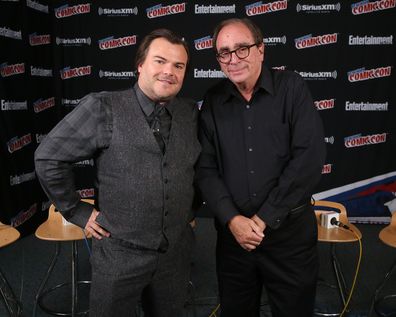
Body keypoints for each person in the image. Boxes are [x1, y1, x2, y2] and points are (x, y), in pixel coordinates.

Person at [35, 29, 201, 317]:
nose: (169, 72)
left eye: (179, 66)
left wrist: (188, 210)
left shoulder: (190, 113)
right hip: (119, 255)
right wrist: (77, 212)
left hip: (174, 254)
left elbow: (197, 168)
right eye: (159, 61)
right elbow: (49, 156)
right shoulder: (103, 107)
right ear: (140, 65)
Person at [196, 18, 326, 317]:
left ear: (261, 50)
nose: (233, 59)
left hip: (289, 239)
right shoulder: (213, 101)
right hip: (234, 241)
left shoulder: (291, 87)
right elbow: (206, 167)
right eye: (224, 52)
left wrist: (263, 218)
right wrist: (233, 221)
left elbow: (308, 158)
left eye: (242, 49)